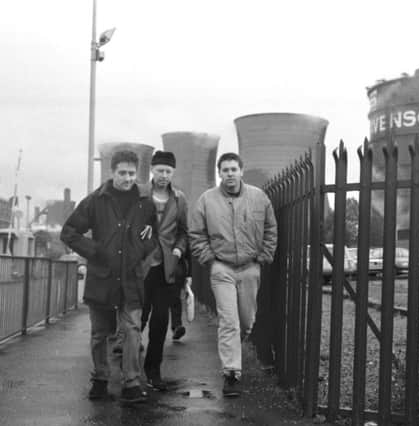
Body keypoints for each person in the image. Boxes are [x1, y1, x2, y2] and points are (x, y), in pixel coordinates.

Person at [60, 150, 157, 403]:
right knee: (99, 333)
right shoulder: (94, 201)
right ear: (112, 172)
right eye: (122, 173)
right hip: (102, 276)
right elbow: (69, 232)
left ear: (138, 173)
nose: (127, 178)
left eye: (132, 173)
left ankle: (132, 382)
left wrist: (141, 249)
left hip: (131, 278)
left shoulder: (145, 203)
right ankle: (101, 379)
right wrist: (95, 251)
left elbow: (153, 236)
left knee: (133, 329)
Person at [189, 152, 277, 398]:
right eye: (225, 170)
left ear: (241, 171)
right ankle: (231, 374)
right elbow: (196, 234)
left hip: (250, 267)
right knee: (229, 321)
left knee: (246, 321)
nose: (229, 174)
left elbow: (271, 228)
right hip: (222, 268)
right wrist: (209, 259)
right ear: (219, 173)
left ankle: (233, 353)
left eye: (233, 169)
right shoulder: (206, 200)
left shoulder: (259, 198)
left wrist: (264, 255)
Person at [140, 150, 189, 391]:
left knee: (160, 320)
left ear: (173, 173)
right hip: (141, 265)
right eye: (159, 170)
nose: (163, 175)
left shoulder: (179, 199)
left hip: (167, 268)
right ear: (152, 169)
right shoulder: (138, 194)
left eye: (168, 171)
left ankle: (153, 370)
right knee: (138, 319)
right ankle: (128, 369)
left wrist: (179, 249)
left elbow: (183, 231)